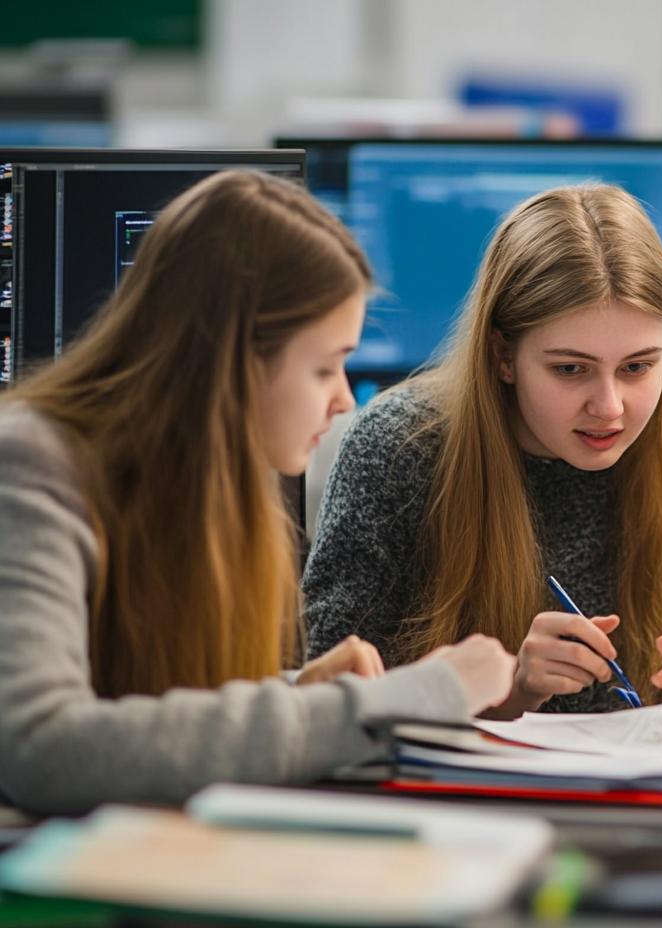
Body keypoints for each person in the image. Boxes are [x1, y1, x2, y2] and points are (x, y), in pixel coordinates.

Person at [0, 170, 515, 816]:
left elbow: (150, 710)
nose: (339, 398)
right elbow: (48, 749)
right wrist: (411, 698)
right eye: (325, 366)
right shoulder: (31, 464)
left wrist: (301, 696)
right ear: (234, 359)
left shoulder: (198, 487)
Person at [303, 183, 662, 718]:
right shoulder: (400, 449)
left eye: (637, 367)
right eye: (570, 369)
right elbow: (326, 693)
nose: (610, 407)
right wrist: (510, 690)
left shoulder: (653, 441)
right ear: (503, 356)